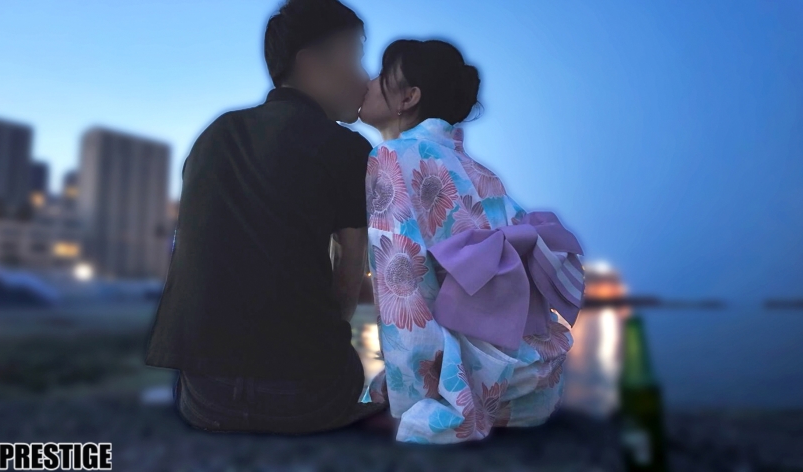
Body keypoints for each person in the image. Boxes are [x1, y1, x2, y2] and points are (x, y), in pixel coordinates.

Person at [145, 0, 386, 434]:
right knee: (350, 369)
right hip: (302, 400)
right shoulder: (347, 148)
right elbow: (351, 269)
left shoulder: (216, 134)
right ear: (310, 64)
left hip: (204, 398)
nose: (365, 78)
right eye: (355, 58)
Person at [357, 39, 585, 443]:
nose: (368, 83)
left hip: (471, 390)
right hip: (534, 382)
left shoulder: (391, 156)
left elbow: (404, 296)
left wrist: (416, 405)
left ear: (408, 98)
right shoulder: (480, 171)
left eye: (380, 76)